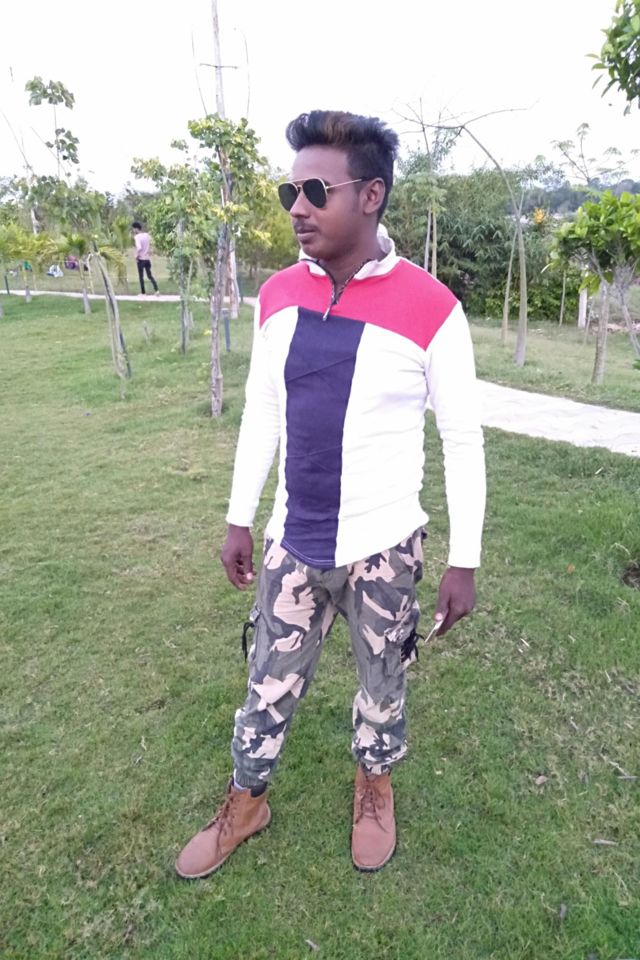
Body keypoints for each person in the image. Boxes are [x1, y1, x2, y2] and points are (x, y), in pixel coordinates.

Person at [175, 110, 486, 879]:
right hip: (294, 540)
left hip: (385, 549)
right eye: (290, 192)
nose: (297, 208)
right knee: (266, 682)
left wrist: (464, 560)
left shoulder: (433, 307)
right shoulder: (278, 295)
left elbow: (463, 440)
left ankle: (373, 788)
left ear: (371, 195)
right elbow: (263, 412)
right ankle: (246, 802)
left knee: (383, 683)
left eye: (316, 191)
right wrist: (239, 517)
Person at [131, 221, 159, 295]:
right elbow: (151, 244)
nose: (133, 231)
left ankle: (143, 292)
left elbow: (139, 248)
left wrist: (136, 256)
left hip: (141, 259)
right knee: (149, 275)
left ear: (136, 228)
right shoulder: (147, 235)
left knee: (141, 277)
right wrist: (150, 251)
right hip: (147, 259)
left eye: (133, 229)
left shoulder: (137, 237)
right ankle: (156, 290)